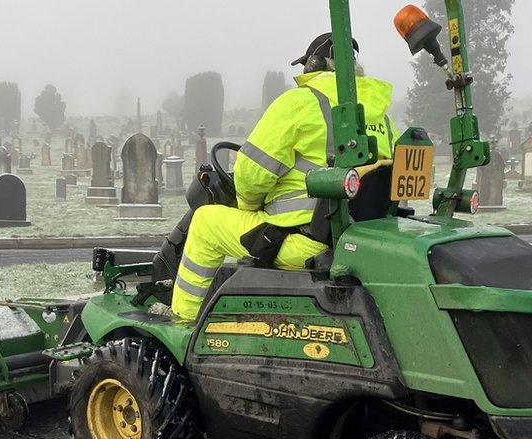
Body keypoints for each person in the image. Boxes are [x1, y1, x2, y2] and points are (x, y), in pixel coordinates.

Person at [170, 33, 399, 321]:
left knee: (205, 224)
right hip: (359, 239)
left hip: (304, 240)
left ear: (314, 64)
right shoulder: (383, 118)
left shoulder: (300, 103)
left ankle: (184, 322)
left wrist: (245, 204)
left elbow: (252, 175)